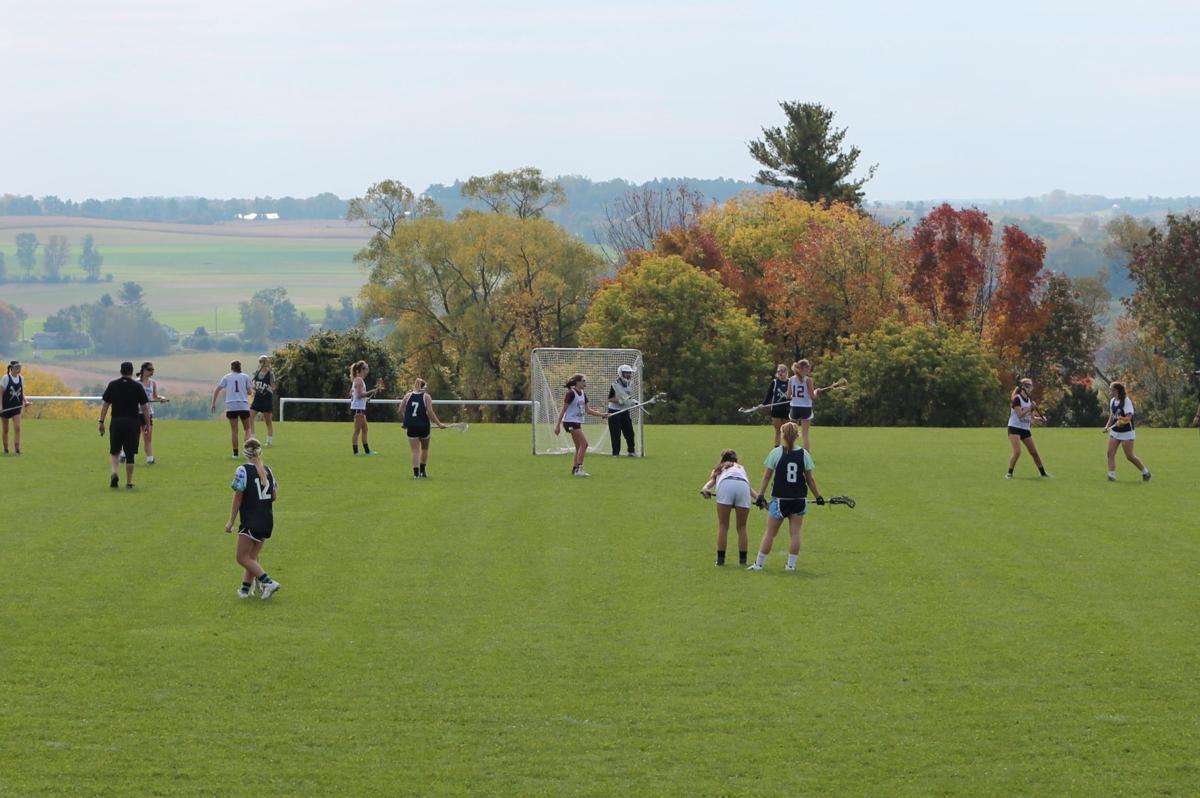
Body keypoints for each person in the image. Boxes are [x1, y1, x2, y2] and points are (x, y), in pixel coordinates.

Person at [747, 421, 825, 572]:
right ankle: (791, 566)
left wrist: (760, 495)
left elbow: (766, 477)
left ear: (782, 435)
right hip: (799, 500)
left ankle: (759, 564)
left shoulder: (776, 452)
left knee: (770, 533)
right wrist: (818, 496)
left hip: (780, 500)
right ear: (797, 435)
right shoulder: (804, 454)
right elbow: (810, 479)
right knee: (795, 533)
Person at [224, 437, 281, 600]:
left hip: (251, 520)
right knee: (252, 558)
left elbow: (238, 497)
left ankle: (268, 582)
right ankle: (244, 590)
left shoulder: (242, 470)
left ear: (245, 452)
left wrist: (230, 522)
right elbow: (274, 496)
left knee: (241, 557)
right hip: (267, 520)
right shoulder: (268, 470)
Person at [699, 449, 759, 566]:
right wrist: (760, 500)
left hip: (726, 485)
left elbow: (708, 485)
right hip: (742, 487)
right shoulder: (741, 468)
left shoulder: (720, 468)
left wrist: (705, 490)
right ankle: (743, 561)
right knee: (742, 526)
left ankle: (720, 560)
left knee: (723, 525)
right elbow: (748, 487)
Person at [98, 361, 150, 489]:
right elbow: (144, 408)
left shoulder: (113, 385)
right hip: (132, 422)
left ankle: (114, 473)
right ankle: (129, 482)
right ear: (132, 372)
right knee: (130, 453)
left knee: (115, 451)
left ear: (121, 371)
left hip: (116, 421)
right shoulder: (137, 387)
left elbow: (105, 405)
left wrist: (101, 421)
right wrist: (147, 424)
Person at [553, 373, 609, 477]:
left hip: (576, 422)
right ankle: (579, 468)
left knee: (579, 446)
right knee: (585, 444)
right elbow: (563, 410)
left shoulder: (583, 394)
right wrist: (557, 425)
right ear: (577, 382)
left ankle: (575, 469)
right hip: (570, 422)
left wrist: (602, 415)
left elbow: (588, 410)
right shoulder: (571, 393)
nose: (585, 383)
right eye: (583, 381)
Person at [1103, 381, 1150, 482]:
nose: (1109, 390)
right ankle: (1112, 475)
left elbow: (1129, 417)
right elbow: (1112, 416)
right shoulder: (1112, 401)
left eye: (1111, 389)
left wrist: (1123, 421)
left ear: (1116, 390)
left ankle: (1145, 472)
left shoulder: (1126, 401)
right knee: (1110, 453)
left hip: (1127, 432)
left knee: (1129, 456)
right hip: (1115, 431)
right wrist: (1107, 426)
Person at [400, 378, 447, 478]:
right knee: (424, 448)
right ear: (424, 387)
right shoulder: (426, 397)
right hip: (424, 427)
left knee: (414, 450)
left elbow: (400, 409)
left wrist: (406, 421)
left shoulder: (408, 396)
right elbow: (430, 412)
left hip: (411, 427)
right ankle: (422, 472)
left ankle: (416, 474)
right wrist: (439, 424)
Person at [1006, 377, 1049, 479]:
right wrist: (1029, 408)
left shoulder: (1029, 400)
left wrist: (1040, 418)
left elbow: (1030, 416)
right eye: (1029, 386)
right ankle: (1009, 473)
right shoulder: (1017, 399)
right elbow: (1020, 414)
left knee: (1034, 452)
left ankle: (1043, 473)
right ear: (1024, 387)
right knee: (1017, 452)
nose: (1031, 388)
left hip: (1025, 429)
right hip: (1014, 428)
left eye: (1031, 386)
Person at [211, 361, 254, 458]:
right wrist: (247, 391)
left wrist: (213, 403)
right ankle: (248, 452)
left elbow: (217, 389)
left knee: (234, 431)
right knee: (247, 428)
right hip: (243, 405)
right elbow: (250, 392)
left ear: (232, 368)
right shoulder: (245, 377)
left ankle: (235, 454)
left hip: (231, 406)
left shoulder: (227, 377)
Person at [349, 360, 384, 455]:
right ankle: (356, 452)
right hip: (358, 409)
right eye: (365, 368)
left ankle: (367, 451)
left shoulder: (358, 380)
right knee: (357, 430)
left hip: (359, 408)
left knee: (365, 429)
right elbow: (360, 395)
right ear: (360, 370)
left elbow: (355, 395)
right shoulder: (359, 380)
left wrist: (366, 398)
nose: (367, 370)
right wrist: (372, 391)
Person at [136, 362, 168, 465]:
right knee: (134, 436)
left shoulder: (153, 383)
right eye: (150, 369)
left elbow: (154, 396)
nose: (152, 372)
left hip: (148, 412)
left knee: (148, 435)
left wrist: (161, 398)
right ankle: (126, 454)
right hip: (136, 412)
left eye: (153, 370)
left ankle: (150, 459)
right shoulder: (136, 383)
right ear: (144, 370)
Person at [786, 359, 822, 452]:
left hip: (794, 408)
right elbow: (812, 397)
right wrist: (816, 391)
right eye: (807, 367)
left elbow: (788, 396)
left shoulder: (791, 379)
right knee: (805, 434)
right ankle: (806, 455)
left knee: (791, 433)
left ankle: (790, 451)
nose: (809, 368)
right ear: (802, 368)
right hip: (805, 408)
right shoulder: (808, 380)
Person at [606, 364, 638, 456]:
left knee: (629, 432)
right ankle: (616, 453)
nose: (628, 375)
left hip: (624, 411)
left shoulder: (629, 383)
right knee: (616, 433)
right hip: (614, 411)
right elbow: (610, 399)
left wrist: (632, 401)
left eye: (629, 373)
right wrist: (621, 401)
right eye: (626, 373)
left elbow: (627, 397)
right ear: (621, 373)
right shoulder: (615, 384)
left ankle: (631, 451)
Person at [1, 360, 32, 455]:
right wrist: (0, 406)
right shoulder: (6, 378)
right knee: (6, 429)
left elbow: (21, 392)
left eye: (19, 367)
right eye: (17, 367)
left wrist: (25, 401)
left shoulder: (21, 378)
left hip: (16, 407)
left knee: (18, 427)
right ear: (12, 368)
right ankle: (6, 449)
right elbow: (0, 393)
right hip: (6, 407)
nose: (19, 369)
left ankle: (17, 449)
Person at [250, 355, 276, 446]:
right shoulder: (257, 372)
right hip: (257, 399)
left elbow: (273, 387)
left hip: (266, 400)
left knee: (268, 422)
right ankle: (252, 439)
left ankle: (269, 441)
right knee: (250, 418)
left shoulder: (270, 374)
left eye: (262, 361)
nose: (261, 363)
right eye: (260, 361)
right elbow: (253, 384)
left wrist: (267, 387)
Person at [762, 363, 790, 446]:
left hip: (787, 410)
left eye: (782, 371)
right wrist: (763, 404)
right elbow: (769, 395)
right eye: (779, 371)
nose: (780, 373)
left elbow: (794, 395)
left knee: (786, 432)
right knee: (778, 431)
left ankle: (788, 449)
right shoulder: (774, 382)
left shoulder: (790, 382)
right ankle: (777, 450)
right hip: (776, 409)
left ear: (786, 372)